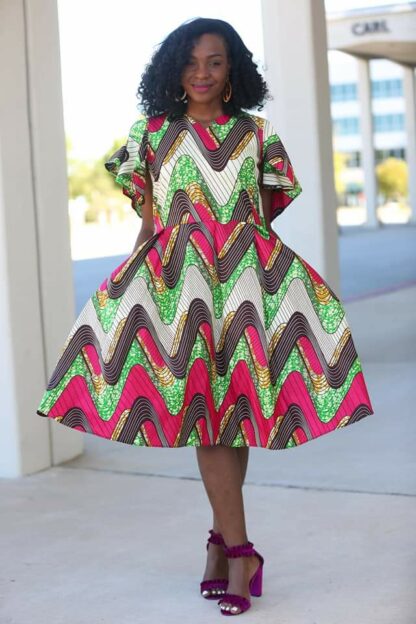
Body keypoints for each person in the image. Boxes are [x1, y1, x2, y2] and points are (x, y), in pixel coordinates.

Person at [36, 17, 375, 616]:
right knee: (208, 419)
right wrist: (130, 288)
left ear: (232, 70)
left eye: (215, 62)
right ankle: (240, 549)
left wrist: (248, 279)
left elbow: (262, 220)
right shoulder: (151, 135)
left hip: (244, 285)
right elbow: (149, 221)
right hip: (177, 288)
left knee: (234, 415)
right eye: (190, 62)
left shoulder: (257, 135)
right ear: (173, 68)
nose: (201, 73)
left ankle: (222, 544)